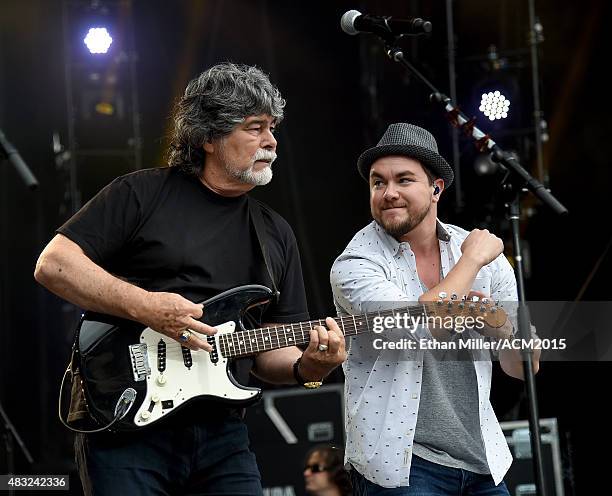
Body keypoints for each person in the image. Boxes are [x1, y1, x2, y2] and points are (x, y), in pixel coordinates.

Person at [34, 62, 345, 496]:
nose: (271, 142)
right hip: (127, 424)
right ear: (208, 137)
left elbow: (271, 350)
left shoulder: (275, 233)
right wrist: (147, 306)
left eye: (272, 127)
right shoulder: (141, 193)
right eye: (254, 127)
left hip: (223, 434)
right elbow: (54, 264)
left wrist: (309, 367)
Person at [330, 123, 540, 495]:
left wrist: (500, 328)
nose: (388, 193)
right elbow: (418, 329)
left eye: (404, 180)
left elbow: (524, 368)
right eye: (378, 183)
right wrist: (471, 262)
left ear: (436, 187)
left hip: (481, 460)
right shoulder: (355, 263)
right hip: (401, 464)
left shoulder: (482, 256)